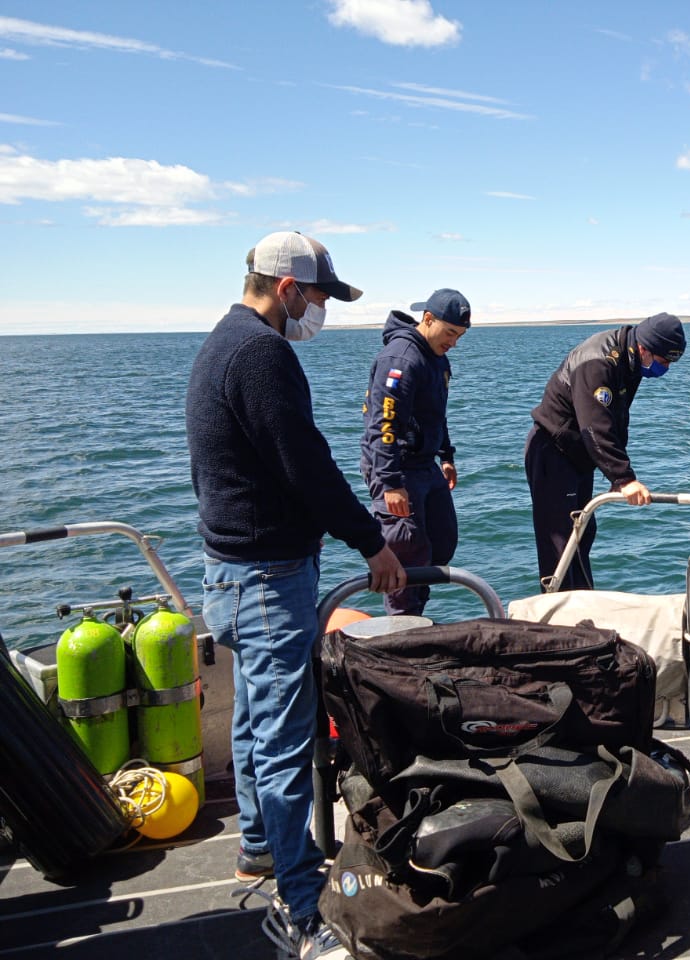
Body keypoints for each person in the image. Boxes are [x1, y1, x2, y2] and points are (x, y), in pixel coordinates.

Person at [185, 231, 405, 960]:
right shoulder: (261, 354)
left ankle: (258, 849)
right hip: (269, 577)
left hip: (231, 570)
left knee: (251, 725)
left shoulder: (222, 341)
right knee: (282, 744)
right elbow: (304, 464)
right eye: (317, 297)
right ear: (285, 290)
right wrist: (370, 544)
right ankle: (305, 908)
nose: (320, 311)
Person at [525, 312, 685, 591]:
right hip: (554, 451)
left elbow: (615, 418)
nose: (665, 368)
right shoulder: (598, 362)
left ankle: (582, 602)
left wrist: (615, 469)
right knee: (560, 542)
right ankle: (559, 616)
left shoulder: (631, 359)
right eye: (663, 361)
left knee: (582, 533)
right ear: (646, 348)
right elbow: (594, 426)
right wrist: (624, 478)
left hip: (580, 455)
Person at [360, 289, 470, 615]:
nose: (453, 342)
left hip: (425, 465)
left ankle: (416, 611)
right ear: (428, 319)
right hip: (397, 467)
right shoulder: (402, 359)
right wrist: (391, 482)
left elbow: (436, 413)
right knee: (407, 552)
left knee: (442, 541)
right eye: (450, 333)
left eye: (460, 336)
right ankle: (402, 627)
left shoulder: (438, 359)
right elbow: (382, 424)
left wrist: (446, 456)